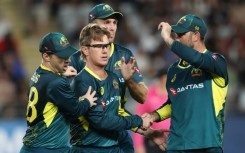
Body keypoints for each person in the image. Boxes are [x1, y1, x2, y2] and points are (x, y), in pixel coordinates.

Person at [144, 14, 229, 153]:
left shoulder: (216, 62)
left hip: (207, 145)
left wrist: (168, 39)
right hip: (176, 146)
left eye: (181, 35)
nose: (176, 38)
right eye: (175, 35)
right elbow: (173, 103)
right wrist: (153, 116)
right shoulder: (173, 69)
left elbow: (197, 59)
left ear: (195, 35)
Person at [69, 3, 148, 153]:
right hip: (91, 139)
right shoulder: (76, 61)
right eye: (106, 22)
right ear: (92, 26)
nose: (112, 27)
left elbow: (143, 97)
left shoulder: (124, 55)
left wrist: (129, 79)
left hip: (119, 129)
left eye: (115, 23)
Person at [20, 32, 97, 153]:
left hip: (30, 148)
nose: (68, 59)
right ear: (46, 56)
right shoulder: (56, 83)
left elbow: (47, 88)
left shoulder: (38, 73)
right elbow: (76, 111)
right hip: (50, 148)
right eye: (62, 56)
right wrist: (87, 101)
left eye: (67, 54)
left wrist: (60, 74)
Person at [133, 67, 170, 153]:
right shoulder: (149, 94)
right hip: (153, 140)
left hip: (174, 140)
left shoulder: (175, 93)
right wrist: (138, 145)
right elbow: (139, 118)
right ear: (162, 77)